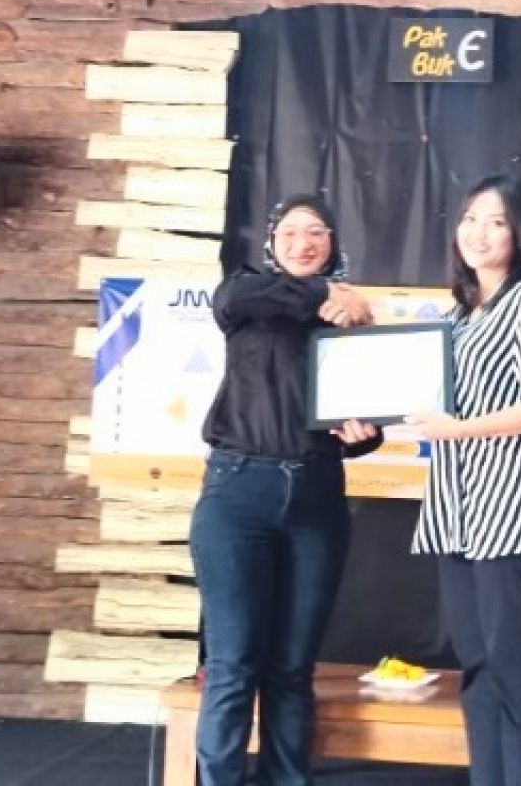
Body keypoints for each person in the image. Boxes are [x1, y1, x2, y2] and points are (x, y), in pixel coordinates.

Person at [190, 193, 382, 786]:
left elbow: (361, 422)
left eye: (317, 232)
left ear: (333, 244)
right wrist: (328, 293)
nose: (304, 242)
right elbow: (242, 297)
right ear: (272, 243)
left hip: (318, 497)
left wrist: (365, 435)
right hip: (237, 493)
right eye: (291, 232)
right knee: (232, 665)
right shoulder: (245, 295)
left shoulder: (350, 323)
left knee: (293, 670)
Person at [409, 174, 521, 786]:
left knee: (515, 674)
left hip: (508, 512)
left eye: (497, 221)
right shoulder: (458, 314)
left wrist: (458, 429)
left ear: (519, 234)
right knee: (478, 673)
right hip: (457, 513)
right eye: (470, 218)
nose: (478, 232)